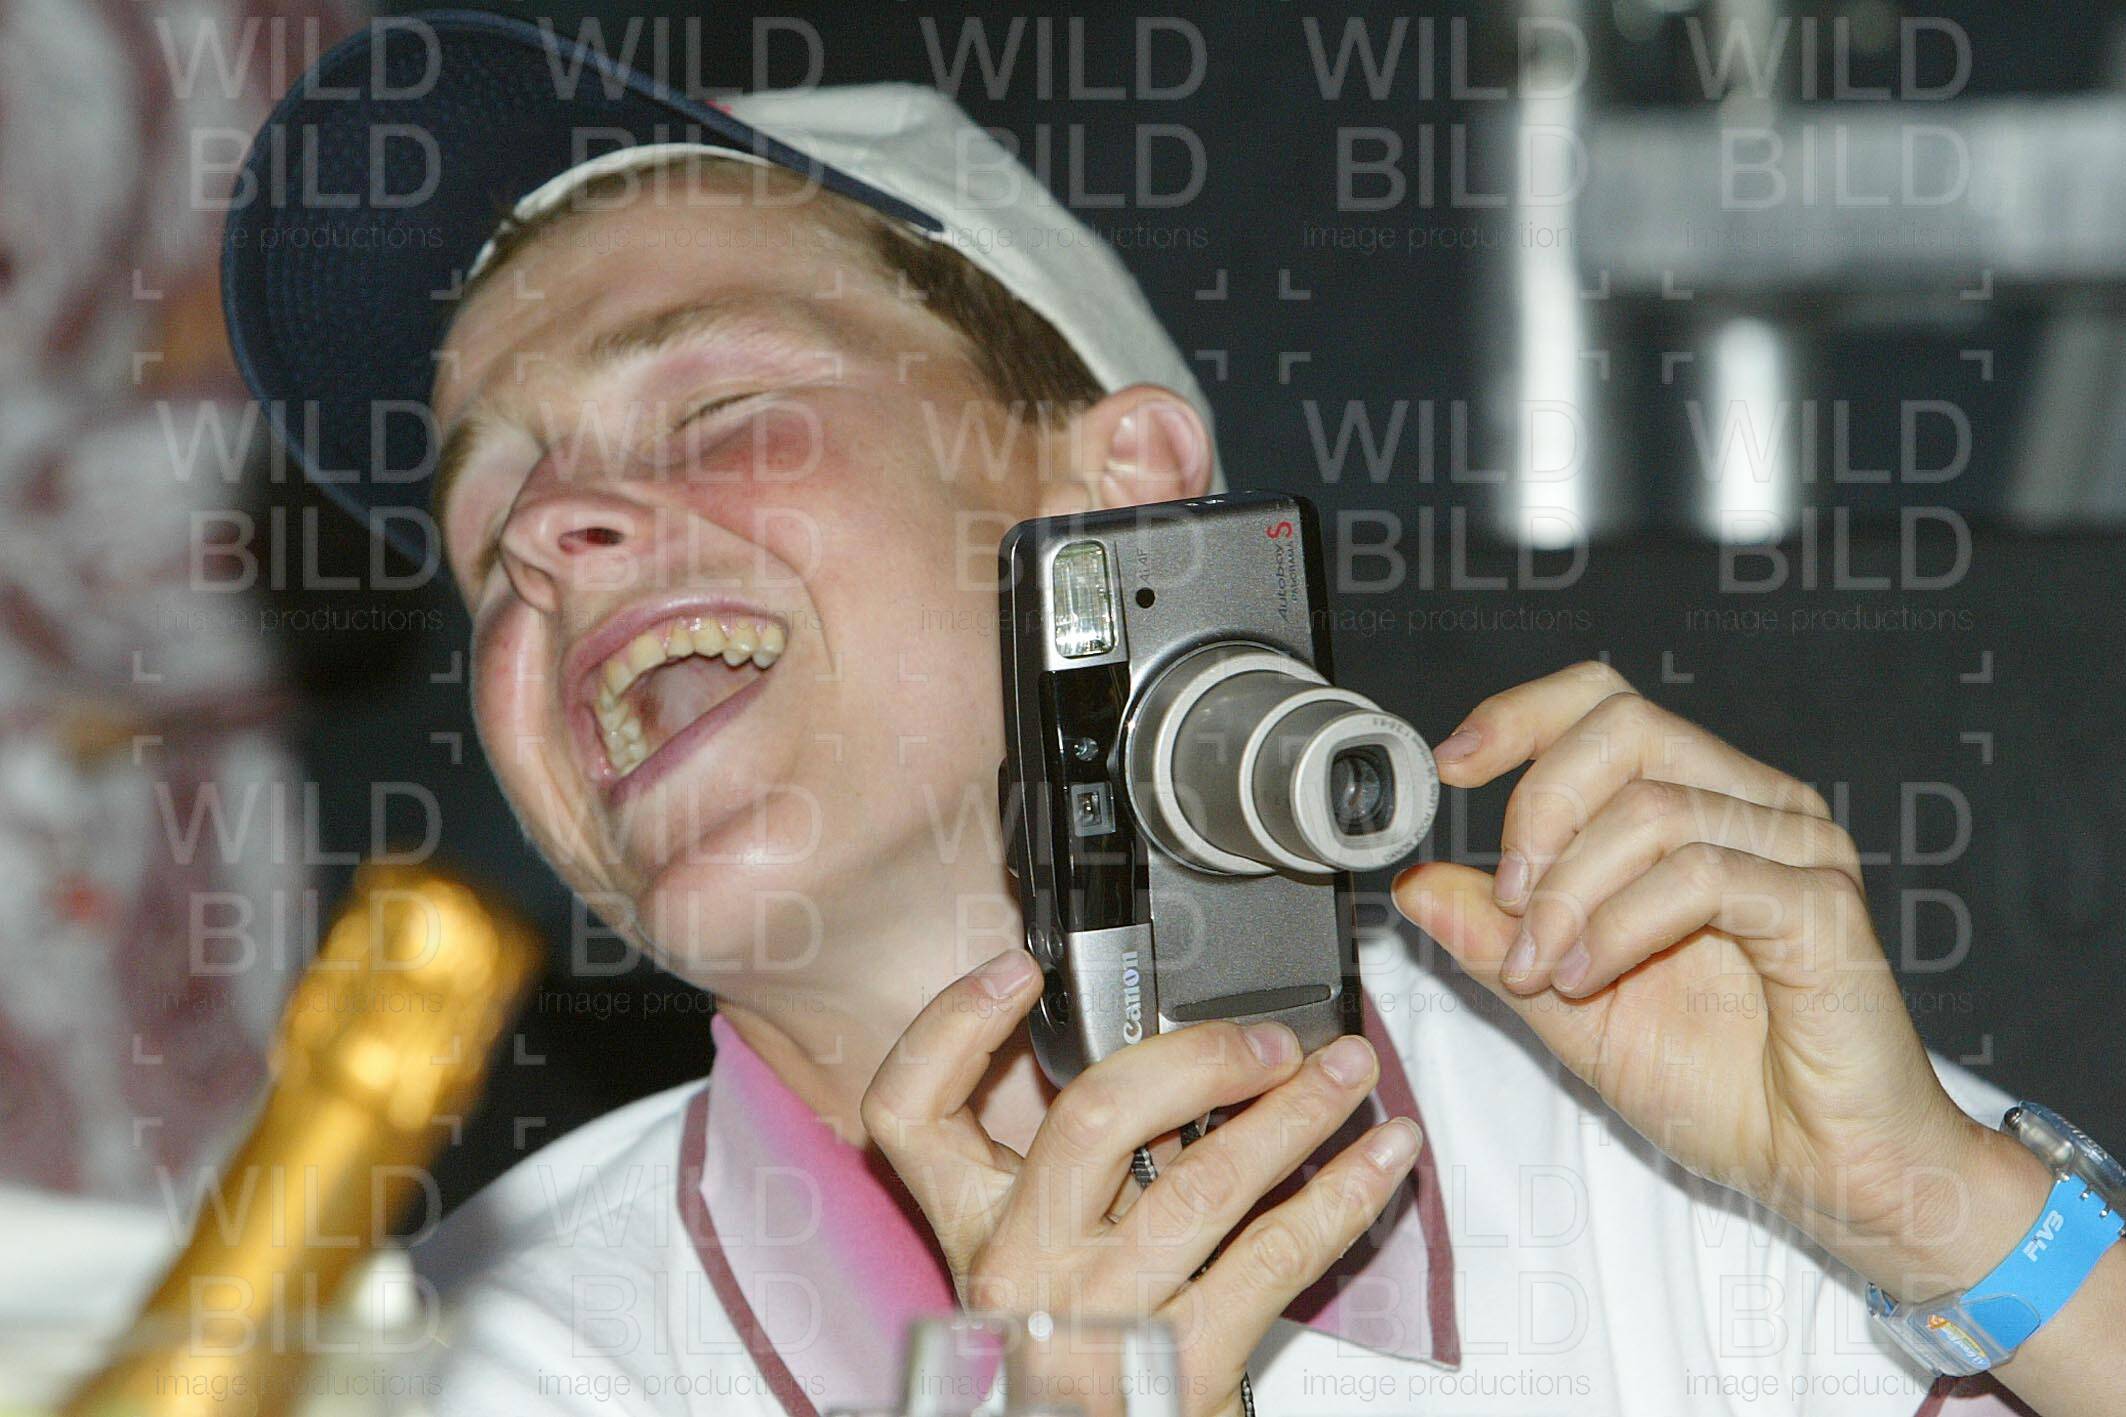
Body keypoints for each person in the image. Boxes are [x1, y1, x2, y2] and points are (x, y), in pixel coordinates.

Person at [219, 14, 2122, 1416]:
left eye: (715, 411)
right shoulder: (449, 1368)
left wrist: (1951, 1212)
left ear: (1116, 491)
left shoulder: (1646, 1124)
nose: (548, 534)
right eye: (488, 528)